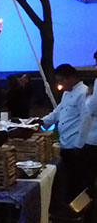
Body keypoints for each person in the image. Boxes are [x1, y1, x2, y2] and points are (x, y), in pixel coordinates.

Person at [42, 64, 89, 201]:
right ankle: (69, 204)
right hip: (66, 143)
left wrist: (79, 145)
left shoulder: (83, 93)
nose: (60, 85)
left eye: (61, 80)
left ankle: (81, 208)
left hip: (76, 145)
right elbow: (58, 111)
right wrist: (42, 121)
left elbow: (86, 120)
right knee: (69, 178)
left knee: (78, 180)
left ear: (70, 78)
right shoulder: (67, 93)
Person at [82, 78, 97, 198]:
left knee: (88, 178)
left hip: (93, 139)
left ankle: (88, 203)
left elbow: (92, 108)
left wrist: (88, 98)